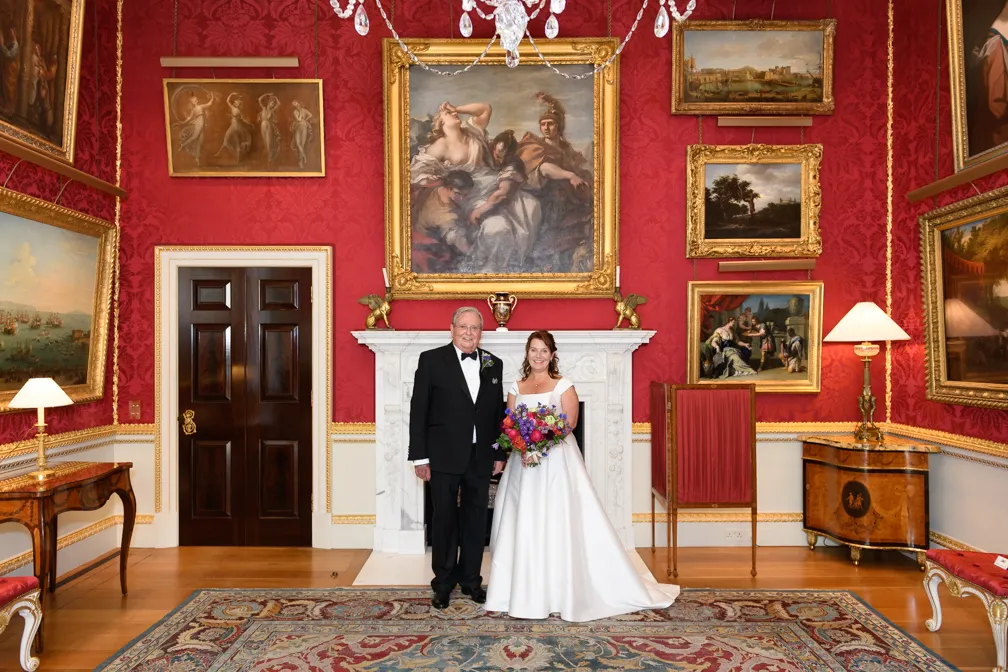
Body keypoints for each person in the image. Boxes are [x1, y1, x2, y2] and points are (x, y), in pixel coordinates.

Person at [486, 330, 680, 621]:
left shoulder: (563, 385)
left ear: (552, 355)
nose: (538, 356)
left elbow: (570, 423)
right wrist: (524, 445)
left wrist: (541, 442)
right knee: (522, 520)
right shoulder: (517, 386)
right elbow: (511, 423)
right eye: (533, 350)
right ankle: (520, 591)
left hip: (555, 464)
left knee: (558, 521)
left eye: (544, 350)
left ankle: (562, 591)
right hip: (523, 465)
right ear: (527, 353)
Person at [408, 306, 506, 609]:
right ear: (452, 329)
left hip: (480, 456)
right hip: (442, 456)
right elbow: (418, 411)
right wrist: (420, 457)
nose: (468, 333)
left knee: (476, 521)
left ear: (481, 333)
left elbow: (497, 413)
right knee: (445, 520)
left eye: (474, 328)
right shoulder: (431, 360)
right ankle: (443, 583)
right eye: (463, 326)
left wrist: (499, 452)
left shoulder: (493, 363)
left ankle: (471, 581)